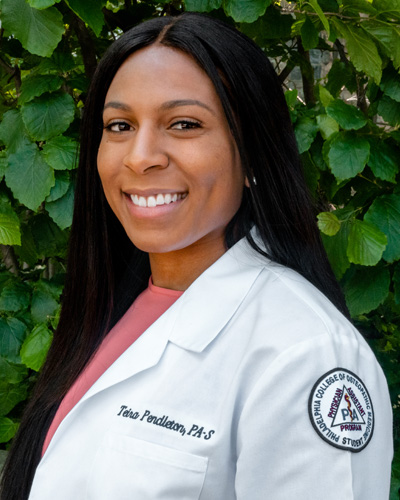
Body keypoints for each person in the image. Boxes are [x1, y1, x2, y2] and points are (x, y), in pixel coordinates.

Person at [0, 12, 392, 500]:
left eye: (183, 124)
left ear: (252, 155)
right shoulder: (110, 308)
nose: (140, 156)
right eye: (119, 125)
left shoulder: (305, 353)